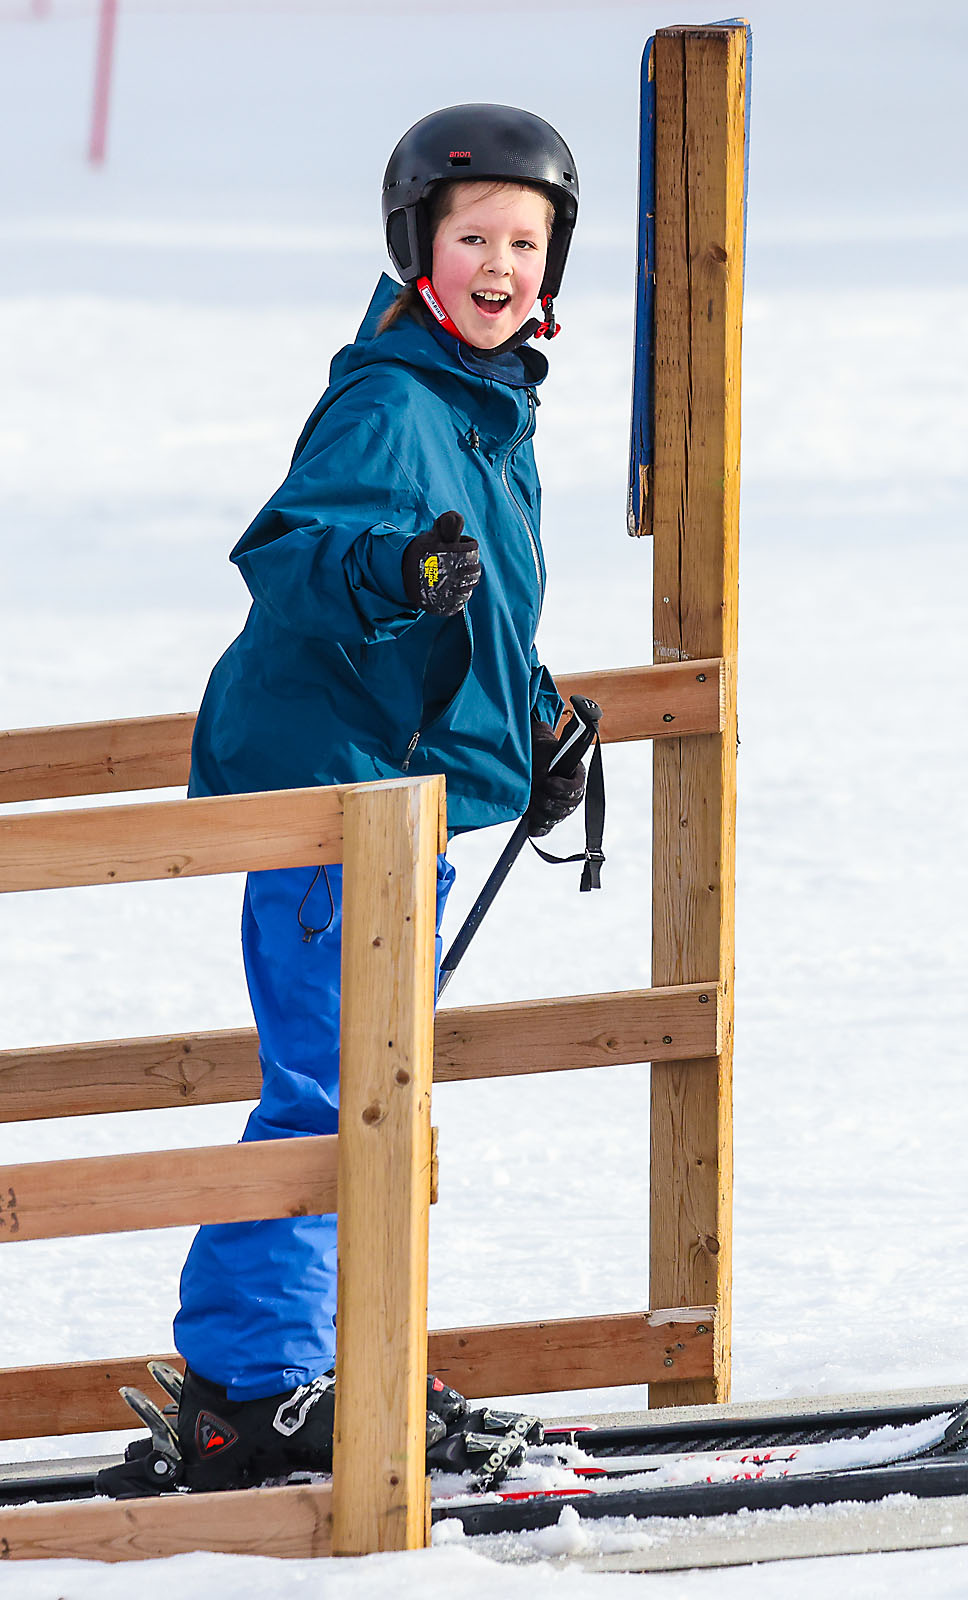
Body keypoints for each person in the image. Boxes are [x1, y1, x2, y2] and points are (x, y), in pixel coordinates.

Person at [165, 105, 584, 1492]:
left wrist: (532, 717)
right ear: (419, 249)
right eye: (475, 238)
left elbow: (481, 605)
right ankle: (256, 1387)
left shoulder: (483, 407)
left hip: (396, 807)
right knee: (335, 1092)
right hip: (335, 803)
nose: (502, 265)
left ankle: (330, 1361)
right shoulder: (394, 403)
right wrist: (391, 574)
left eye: (526, 242)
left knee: (369, 1090)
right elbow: (292, 554)